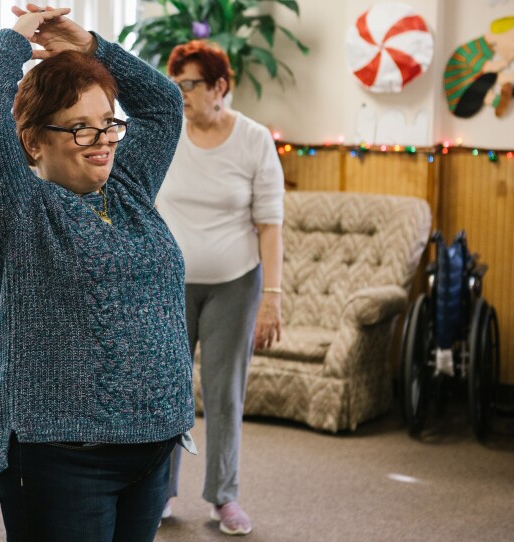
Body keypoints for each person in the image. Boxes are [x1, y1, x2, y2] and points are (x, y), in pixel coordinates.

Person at [0, 5, 194, 541]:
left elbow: (163, 104)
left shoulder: (126, 187)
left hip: (153, 445)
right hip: (62, 456)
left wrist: (90, 49)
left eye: (108, 123)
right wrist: (13, 41)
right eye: (81, 130)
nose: (103, 140)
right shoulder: (21, 208)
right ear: (34, 141)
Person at [155, 39, 284, 536]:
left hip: (235, 282)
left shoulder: (253, 138)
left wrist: (272, 297)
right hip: (170, 283)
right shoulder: (166, 133)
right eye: (176, 84)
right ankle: (159, 492)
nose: (181, 93)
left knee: (224, 392)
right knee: (166, 388)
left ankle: (224, 497)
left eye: (189, 84)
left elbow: (270, 223)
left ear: (219, 87)